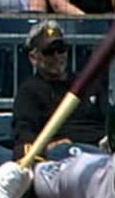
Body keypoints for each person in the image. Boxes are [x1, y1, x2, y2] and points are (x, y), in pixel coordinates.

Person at [12, 22, 107, 152]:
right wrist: (49, 146)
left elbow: (110, 120)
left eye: (61, 49)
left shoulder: (87, 82)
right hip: (60, 157)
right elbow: (24, 134)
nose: (57, 56)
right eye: (49, 52)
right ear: (33, 57)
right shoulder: (29, 92)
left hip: (99, 150)